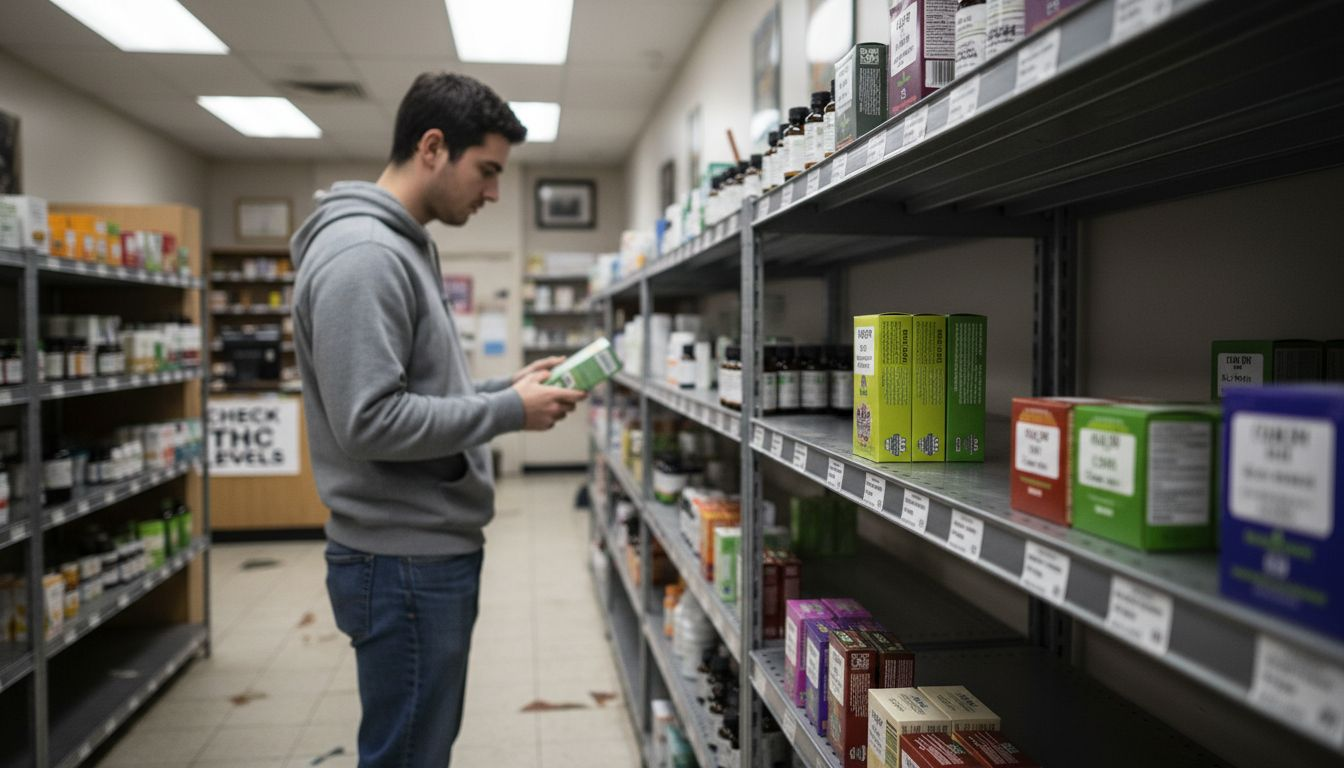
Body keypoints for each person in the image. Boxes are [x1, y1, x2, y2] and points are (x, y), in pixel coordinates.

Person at [289, 72, 586, 767]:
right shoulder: (366, 256)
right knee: (409, 755)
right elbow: (371, 421)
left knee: (420, 744)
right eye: (486, 171)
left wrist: (496, 387)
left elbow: (414, 388)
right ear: (431, 147)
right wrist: (509, 411)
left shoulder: (402, 245)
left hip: (419, 551)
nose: (492, 192)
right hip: (403, 561)